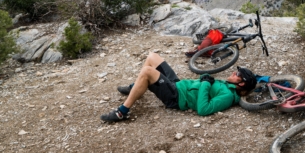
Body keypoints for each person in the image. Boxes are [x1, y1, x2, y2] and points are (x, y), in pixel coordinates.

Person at [100, 52, 257, 122]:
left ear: (241, 83)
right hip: (179, 85)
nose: (234, 72)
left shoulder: (228, 96)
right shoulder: (227, 84)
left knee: (148, 71)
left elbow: (203, 109)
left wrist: (205, 83)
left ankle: (121, 112)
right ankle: (136, 88)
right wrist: (205, 79)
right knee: (152, 57)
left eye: (238, 74)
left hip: (177, 97)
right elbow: (205, 82)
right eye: (237, 70)